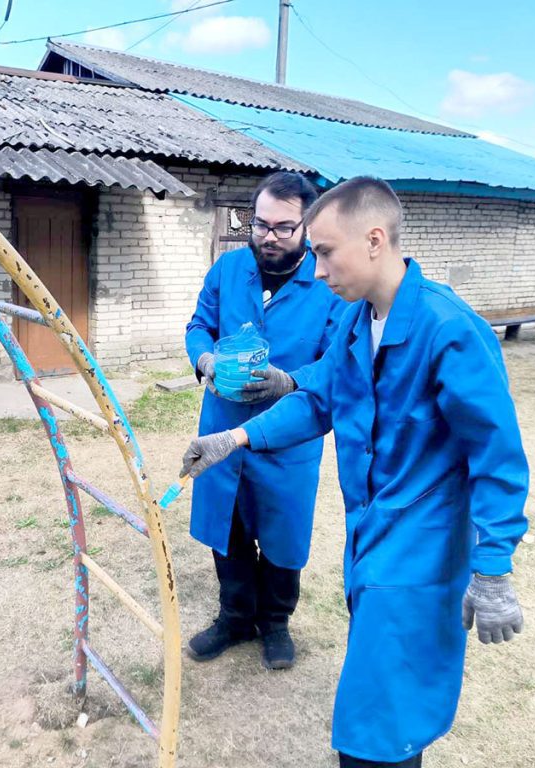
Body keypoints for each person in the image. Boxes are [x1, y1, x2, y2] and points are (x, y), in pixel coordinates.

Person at [181, 177, 529, 766]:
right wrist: (234, 437)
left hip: (418, 546)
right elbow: (319, 397)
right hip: (367, 535)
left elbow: (496, 455)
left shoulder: (447, 330)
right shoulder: (355, 322)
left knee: (376, 723)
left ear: (374, 240)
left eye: (323, 251)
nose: (315, 271)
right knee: (389, 705)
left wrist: (493, 566)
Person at [184, 171, 345, 671]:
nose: (268, 237)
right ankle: (234, 617)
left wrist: (291, 382)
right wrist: (205, 360)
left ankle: (275, 622)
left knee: (281, 533)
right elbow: (199, 326)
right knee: (227, 530)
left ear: (306, 227)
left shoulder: (327, 284)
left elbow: (338, 361)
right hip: (222, 429)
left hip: (288, 439)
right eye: (258, 224)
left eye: (282, 228)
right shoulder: (229, 269)